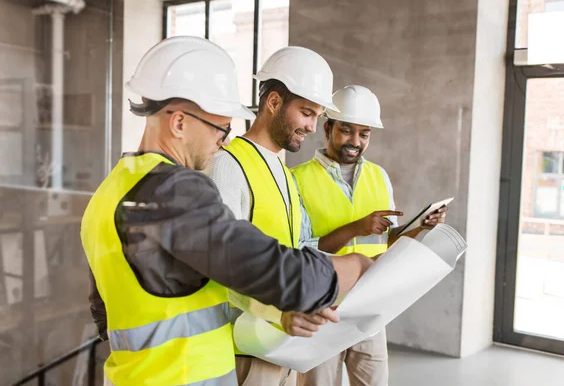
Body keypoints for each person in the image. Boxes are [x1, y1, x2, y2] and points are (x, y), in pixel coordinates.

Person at [81, 37, 373, 386]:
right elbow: (259, 263)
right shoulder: (173, 189)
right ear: (178, 123)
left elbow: (103, 311)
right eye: (220, 127)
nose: (223, 140)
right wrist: (352, 267)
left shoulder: (110, 191)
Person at [292, 85, 449, 386]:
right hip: (324, 305)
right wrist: (356, 227)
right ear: (328, 128)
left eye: (364, 134)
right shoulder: (297, 180)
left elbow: (386, 241)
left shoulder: (379, 176)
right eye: (347, 131)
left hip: (372, 304)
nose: (355, 141)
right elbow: (301, 249)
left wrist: (421, 227)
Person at [205, 45, 341, 386]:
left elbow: (293, 247)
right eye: (307, 113)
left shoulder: (282, 171)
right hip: (248, 349)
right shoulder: (229, 165)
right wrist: (277, 313)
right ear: (274, 102)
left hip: (282, 342)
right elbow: (220, 268)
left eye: (317, 116)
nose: (312, 127)